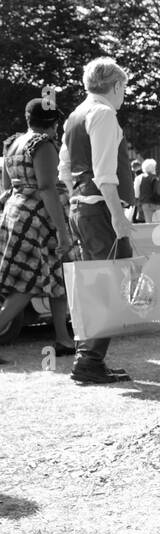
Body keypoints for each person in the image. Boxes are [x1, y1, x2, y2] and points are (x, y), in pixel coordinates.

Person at [59, 57, 136, 384]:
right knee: (109, 282)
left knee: (97, 284)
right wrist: (118, 217)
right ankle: (89, 360)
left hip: (82, 207)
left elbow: (65, 170)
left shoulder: (75, 115)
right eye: (124, 88)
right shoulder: (104, 114)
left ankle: (87, 357)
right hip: (98, 209)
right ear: (116, 86)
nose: (124, 95)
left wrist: (80, 198)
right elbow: (105, 175)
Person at [0, 100, 77, 365]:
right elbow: (47, 188)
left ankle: (64, 339)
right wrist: (62, 231)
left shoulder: (12, 143)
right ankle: (63, 337)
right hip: (38, 218)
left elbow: (7, 188)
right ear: (53, 124)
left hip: (16, 212)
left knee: (57, 275)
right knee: (28, 282)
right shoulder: (42, 144)